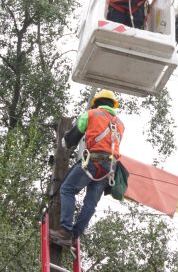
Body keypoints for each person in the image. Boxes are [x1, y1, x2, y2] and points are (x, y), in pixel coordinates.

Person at [49, 89, 125, 247]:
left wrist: (64, 144)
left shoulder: (91, 114)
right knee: (90, 202)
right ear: (113, 105)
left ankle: (65, 230)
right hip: (110, 169)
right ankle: (74, 235)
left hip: (93, 162)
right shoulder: (120, 124)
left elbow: (71, 138)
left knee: (67, 189)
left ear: (96, 103)